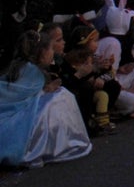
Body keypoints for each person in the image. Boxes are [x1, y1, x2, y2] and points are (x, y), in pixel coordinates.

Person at [0, 29, 90, 167]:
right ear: (42, 52)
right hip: (13, 120)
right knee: (61, 96)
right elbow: (23, 100)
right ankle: (54, 144)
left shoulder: (19, 67)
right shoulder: (32, 72)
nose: (52, 53)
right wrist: (45, 91)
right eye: (51, 49)